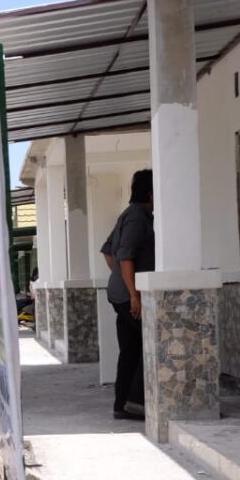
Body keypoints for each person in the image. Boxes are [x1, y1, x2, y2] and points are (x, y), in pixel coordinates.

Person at [100, 169, 155, 421]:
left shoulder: (128, 214)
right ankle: (134, 402)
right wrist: (132, 292)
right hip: (129, 297)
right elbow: (124, 255)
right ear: (151, 193)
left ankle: (121, 405)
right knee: (146, 345)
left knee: (130, 349)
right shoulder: (137, 218)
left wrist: (120, 281)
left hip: (119, 294)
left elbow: (108, 251)